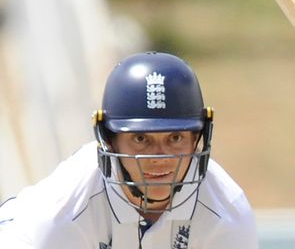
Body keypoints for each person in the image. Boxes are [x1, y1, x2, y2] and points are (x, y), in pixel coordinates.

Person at [0, 51, 260, 248]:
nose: (160, 158)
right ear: (109, 140)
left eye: (175, 137)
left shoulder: (227, 214)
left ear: (197, 139)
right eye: (140, 139)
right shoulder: (58, 216)